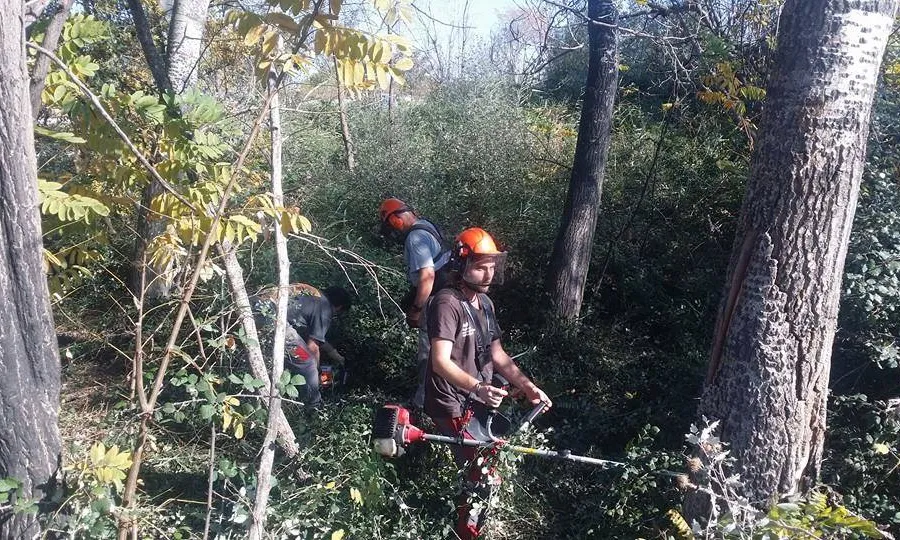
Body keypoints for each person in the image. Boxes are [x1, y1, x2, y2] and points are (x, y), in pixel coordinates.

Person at [424, 227, 551, 539]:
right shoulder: (446, 303)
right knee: (484, 474)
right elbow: (439, 361)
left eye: (492, 266)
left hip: (476, 400)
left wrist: (528, 385)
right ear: (461, 264)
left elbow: (497, 353)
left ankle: (468, 524)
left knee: (485, 468)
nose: (488, 273)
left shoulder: (485, 304)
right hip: (451, 400)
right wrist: (478, 387)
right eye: (481, 266)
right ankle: (464, 532)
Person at [378, 198, 450, 408]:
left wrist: (417, 309)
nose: (393, 229)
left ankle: (424, 403)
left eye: (391, 223)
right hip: (446, 295)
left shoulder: (415, 237)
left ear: (396, 219)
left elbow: (427, 276)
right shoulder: (428, 225)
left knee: (429, 352)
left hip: (434, 299)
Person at [252, 284, 352, 408]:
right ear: (339, 307)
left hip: (256, 307)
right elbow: (313, 346)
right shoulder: (325, 308)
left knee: (298, 354)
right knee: (307, 362)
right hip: (271, 319)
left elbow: (318, 338)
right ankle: (313, 406)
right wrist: (316, 371)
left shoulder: (313, 296)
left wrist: (338, 357)